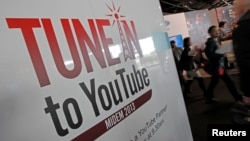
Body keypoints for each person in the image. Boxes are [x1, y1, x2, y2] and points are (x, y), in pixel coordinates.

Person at [204, 25, 242, 103]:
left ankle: (208, 96)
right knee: (229, 81)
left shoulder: (215, 40)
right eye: (214, 31)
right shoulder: (210, 42)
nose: (217, 31)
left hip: (218, 66)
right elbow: (209, 54)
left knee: (214, 81)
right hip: (219, 67)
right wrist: (221, 54)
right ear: (210, 33)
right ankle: (238, 98)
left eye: (217, 30)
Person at [231, 0, 250, 123]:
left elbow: (245, 62)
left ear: (241, 9)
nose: (234, 12)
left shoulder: (242, 28)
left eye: (235, 9)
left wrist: (247, 92)